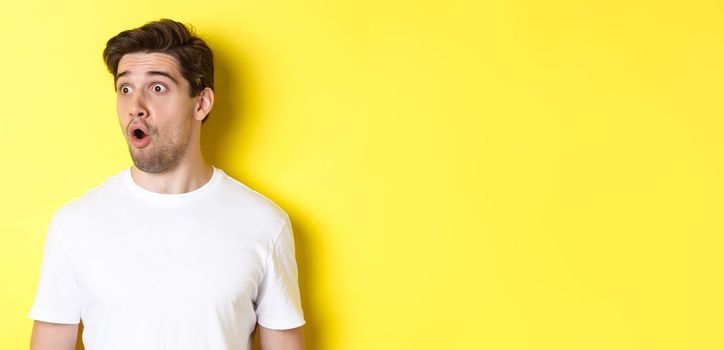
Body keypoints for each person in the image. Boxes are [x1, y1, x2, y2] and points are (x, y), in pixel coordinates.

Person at [28, 19, 305, 350]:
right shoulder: (73, 224)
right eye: (125, 88)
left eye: (157, 88)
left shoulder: (264, 223)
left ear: (201, 103)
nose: (135, 107)